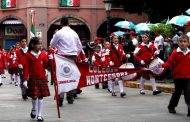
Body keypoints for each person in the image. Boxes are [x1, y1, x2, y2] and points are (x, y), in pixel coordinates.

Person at [50, 17, 82, 106]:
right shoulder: (74, 33)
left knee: (61, 77)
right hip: (73, 57)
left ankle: (60, 98)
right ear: (68, 23)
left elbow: (52, 45)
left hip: (62, 57)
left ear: (61, 24)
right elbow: (79, 47)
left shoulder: (59, 33)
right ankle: (70, 97)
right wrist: (75, 53)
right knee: (71, 76)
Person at [158, 34, 190, 117]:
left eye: (185, 41)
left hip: (188, 77)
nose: (183, 43)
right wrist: (161, 65)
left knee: (188, 92)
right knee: (177, 93)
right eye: (181, 41)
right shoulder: (175, 52)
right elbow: (169, 63)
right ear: (178, 43)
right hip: (178, 77)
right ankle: (171, 106)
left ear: (188, 43)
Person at [22, 37, 50, 121]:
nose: (40, 45)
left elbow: (46, 65)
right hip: (33, 78)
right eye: (38, 44)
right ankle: (34, 108)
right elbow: (26, 68)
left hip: (41, 77)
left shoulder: (43, 54)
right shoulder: (28, 55)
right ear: (32, 45)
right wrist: (25, 80)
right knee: (34, 96)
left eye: (41, 44)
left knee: (40, 96)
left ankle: (40, 114)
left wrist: (50, 60)